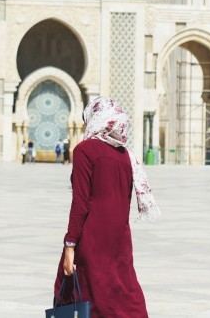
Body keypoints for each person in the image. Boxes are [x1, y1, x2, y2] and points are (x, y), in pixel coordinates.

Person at [55, 97, 159, 317]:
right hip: (119, 242)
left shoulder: (85, 151)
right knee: (122, 298)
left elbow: (80, 204)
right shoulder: (126, 157)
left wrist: (69, 244)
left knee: (82, 300)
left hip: (92, 243)